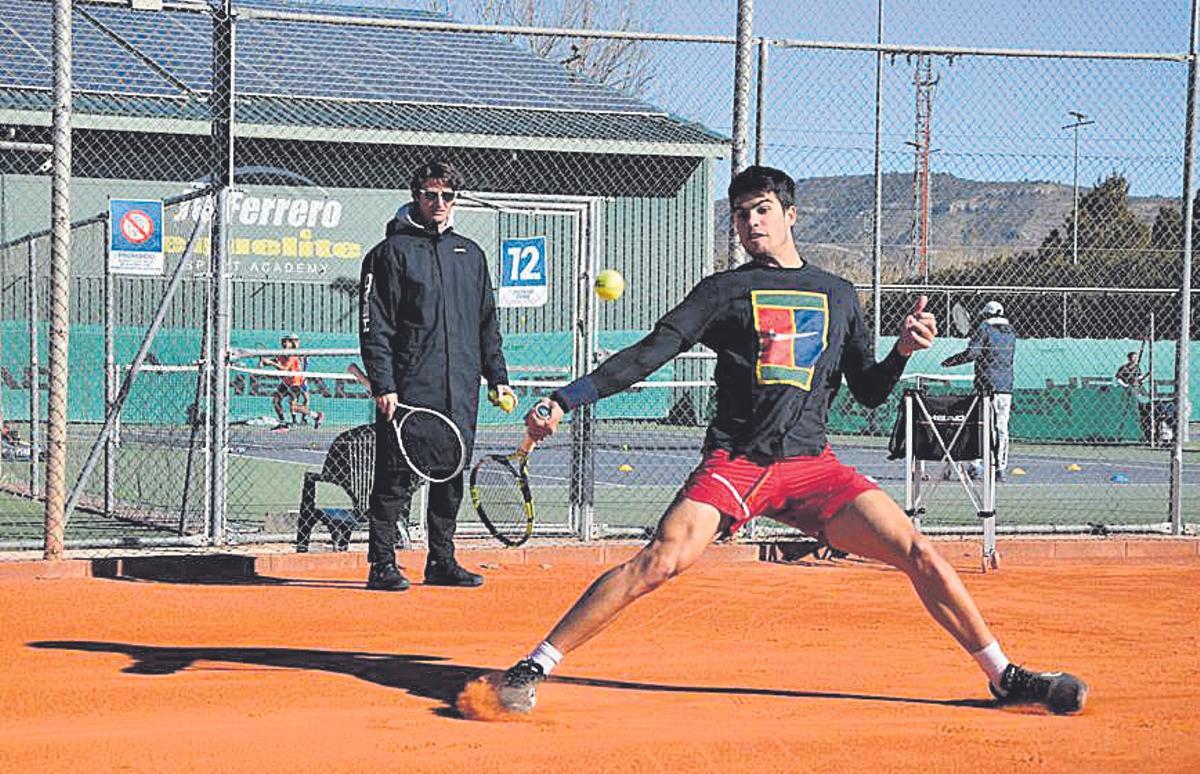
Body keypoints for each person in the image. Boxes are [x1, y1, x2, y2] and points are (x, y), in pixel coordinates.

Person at [484, 166, 1086, 716]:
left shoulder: (840, 295)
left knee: (919, 552)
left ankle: (1003, 676)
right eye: (742, 213)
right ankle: (533, 663)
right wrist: (564, 399)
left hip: (813, 468)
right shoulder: (721, 292)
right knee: (658, 562)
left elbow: (870, 391)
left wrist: (901, 351)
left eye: (763, 209)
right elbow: (649, 354)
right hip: (736, 462)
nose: (752, 223)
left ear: (791, 214)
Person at [358, 159, 515, 592]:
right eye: (431, 195)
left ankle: (441, 561)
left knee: (450, 474)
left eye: (447, 196)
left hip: (459, 388)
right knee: (394, 477)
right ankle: (382, 563)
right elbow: (376, 325)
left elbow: (487, 323)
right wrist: (384, 383)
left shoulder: (471, 254)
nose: (439, 203)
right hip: (409, 388)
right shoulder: (388, 254)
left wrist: (496, 376)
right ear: (416, 197)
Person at [940, 300, 1016, 481]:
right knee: (1001, 428)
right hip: (1005, 387)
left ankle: (975, 465)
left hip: (985, 386)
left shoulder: (984, 328)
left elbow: (973, 353)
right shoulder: (1011, 332)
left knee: (980, 426)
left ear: (986, 315)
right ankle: (1000, 469)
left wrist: (952, 361)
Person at [264, 334, 323, 431]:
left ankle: (315, 415)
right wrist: (265, 362)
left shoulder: (293, 355)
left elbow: (285, 368)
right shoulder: (281, 353)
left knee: (294, 406)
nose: (284, 343)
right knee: (276, 400)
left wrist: (271, 363)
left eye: (286, 341)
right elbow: (276, 361)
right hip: (285, 382)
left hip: (296, 382)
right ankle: (283, 423)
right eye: (283, 341)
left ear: (290, 344)